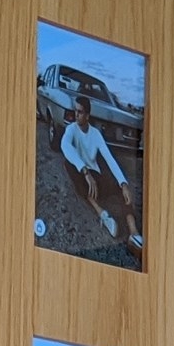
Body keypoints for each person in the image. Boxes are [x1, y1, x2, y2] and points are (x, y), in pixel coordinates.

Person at [57, 92, 142, 252]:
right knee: (69, 163)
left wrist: (123, 183)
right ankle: (102, 213)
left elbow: (109, 159)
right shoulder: (71, 129)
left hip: (96, 177)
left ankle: (134, 233)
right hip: (84, 176)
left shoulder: (95, 134)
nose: (76, 114)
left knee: (122, 189)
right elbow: (65, 146)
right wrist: (85, 171)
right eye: (75, 110)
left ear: (87, 116)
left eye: (80, 112)